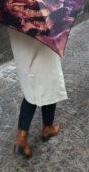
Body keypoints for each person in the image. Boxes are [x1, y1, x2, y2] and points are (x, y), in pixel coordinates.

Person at [8, 28, 68, 157]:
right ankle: (47, 128)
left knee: (31, 91)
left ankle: (21, 137)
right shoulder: (42, 10)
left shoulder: (10, 11)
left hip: (23, 51)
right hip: (43, 48)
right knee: (49, 86)